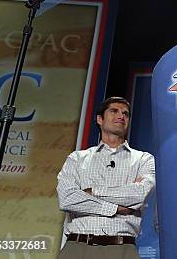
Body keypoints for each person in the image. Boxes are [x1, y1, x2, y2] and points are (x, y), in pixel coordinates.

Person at [56, 96, 155, 259]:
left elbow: (139, 194)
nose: (121, 116)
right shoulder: (77, 158)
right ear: (100, 119)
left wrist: (91, 191)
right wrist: (115, 208)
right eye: (114, 111)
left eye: (126, 113)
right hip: (77, 246)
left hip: (121, 248)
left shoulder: (143, 159)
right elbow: (67, 198)